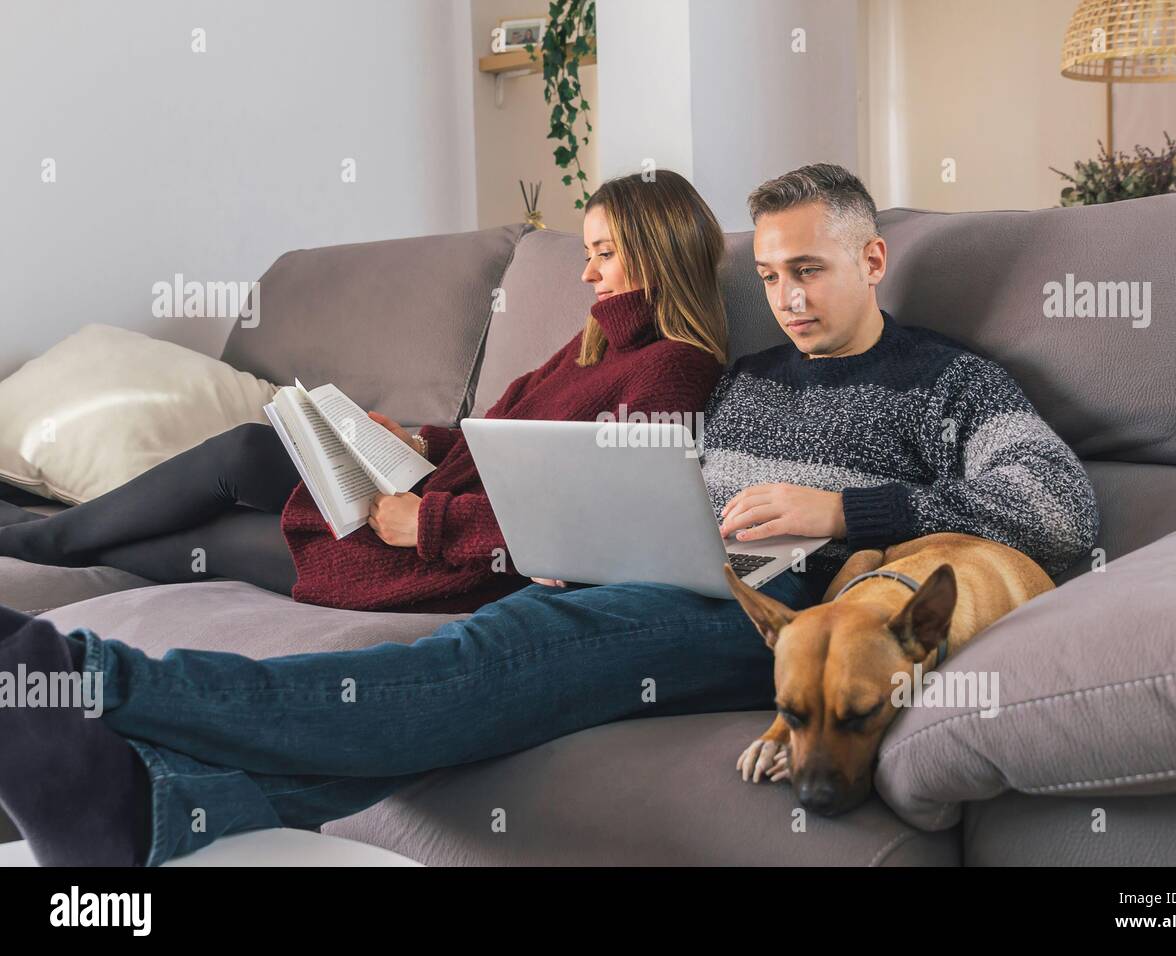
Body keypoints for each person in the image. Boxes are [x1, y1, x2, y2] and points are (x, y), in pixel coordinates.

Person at [0, 163, 1099, 866]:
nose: (791, 297)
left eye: (810, 269)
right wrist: (581, 532)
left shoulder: (950, 385)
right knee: (474, 706)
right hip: (654, 569)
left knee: (483, 660)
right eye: (769, 276)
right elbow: (636, 468)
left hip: (776, 604)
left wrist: (842, 506)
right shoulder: (747, 377)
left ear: (870, 259)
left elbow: (1055, 514)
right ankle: (150, 812)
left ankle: (84, 676)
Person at [0, 170, 729, 613]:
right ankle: (44, 536)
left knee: (206, 543)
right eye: (589, 252)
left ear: (657, 251)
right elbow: (494, 438)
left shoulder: (675, 370)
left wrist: (431, 525)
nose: (586, 273)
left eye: (603, 253)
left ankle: (40, 544)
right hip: (427, 497)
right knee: (253, 448)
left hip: (454, 556)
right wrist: (413, 441)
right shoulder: (595, 341)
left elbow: (603, 530)